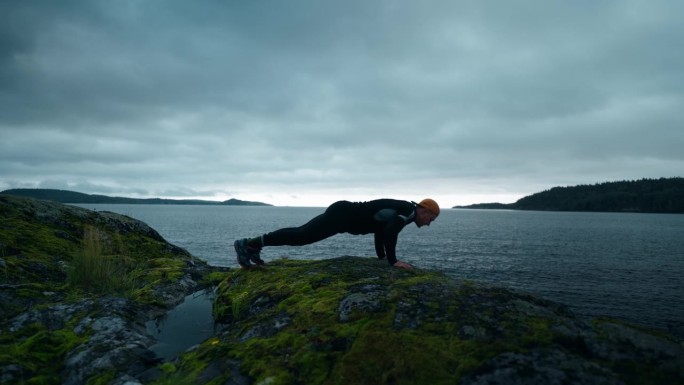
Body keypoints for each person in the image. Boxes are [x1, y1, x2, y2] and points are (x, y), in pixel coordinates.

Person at [233, 198, 440, 270]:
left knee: (301, 234)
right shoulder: (407, 212)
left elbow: (381, 230)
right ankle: (248, 244)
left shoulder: (406, 213)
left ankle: (253, 245)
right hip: (343, 215)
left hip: (342, 213)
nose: (428, 224)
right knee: (302, 236)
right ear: (424, 210)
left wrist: (382, 257)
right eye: (430, 219)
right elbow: (390, 232)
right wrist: (392, 262)